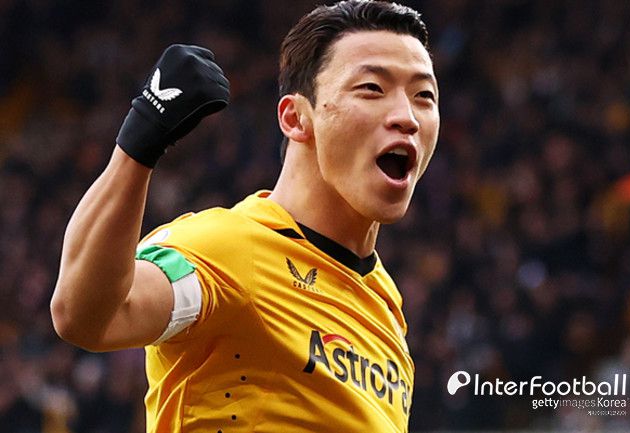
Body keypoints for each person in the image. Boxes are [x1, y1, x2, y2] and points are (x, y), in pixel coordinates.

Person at [50, 0, 440, 431]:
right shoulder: (226, 247)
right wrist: (141, 137)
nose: (407, 117)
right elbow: (88, 317)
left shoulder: (385, 305)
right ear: (296, 118)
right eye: (371, 89)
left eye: (424, 96)